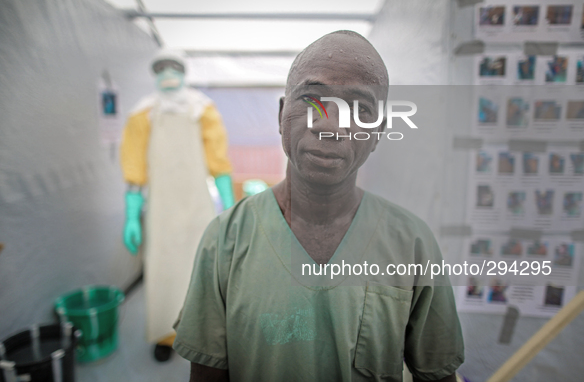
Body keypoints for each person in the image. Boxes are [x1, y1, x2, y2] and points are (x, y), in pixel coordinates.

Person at [173, 31, 464, 381]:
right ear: (282, 114)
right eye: (311, 100)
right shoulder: (225, 240)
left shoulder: (412, 244)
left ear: (379, 131)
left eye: (360, 109)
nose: (329, 126)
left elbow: (437, 374)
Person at [119, 49, 235, 361]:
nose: (168, 72)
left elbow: (219, 163)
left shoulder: (203, 109)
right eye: (161, 67)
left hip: (198, 207)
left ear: (184, 71)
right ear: (154, 73)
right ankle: (166, 334)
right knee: (163, 272)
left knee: (205, 271)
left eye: (174, 66)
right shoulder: (142, 114)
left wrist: (230, 208)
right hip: (161, 212)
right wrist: (132, 216)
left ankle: (206, 333)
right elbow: (134, 170)